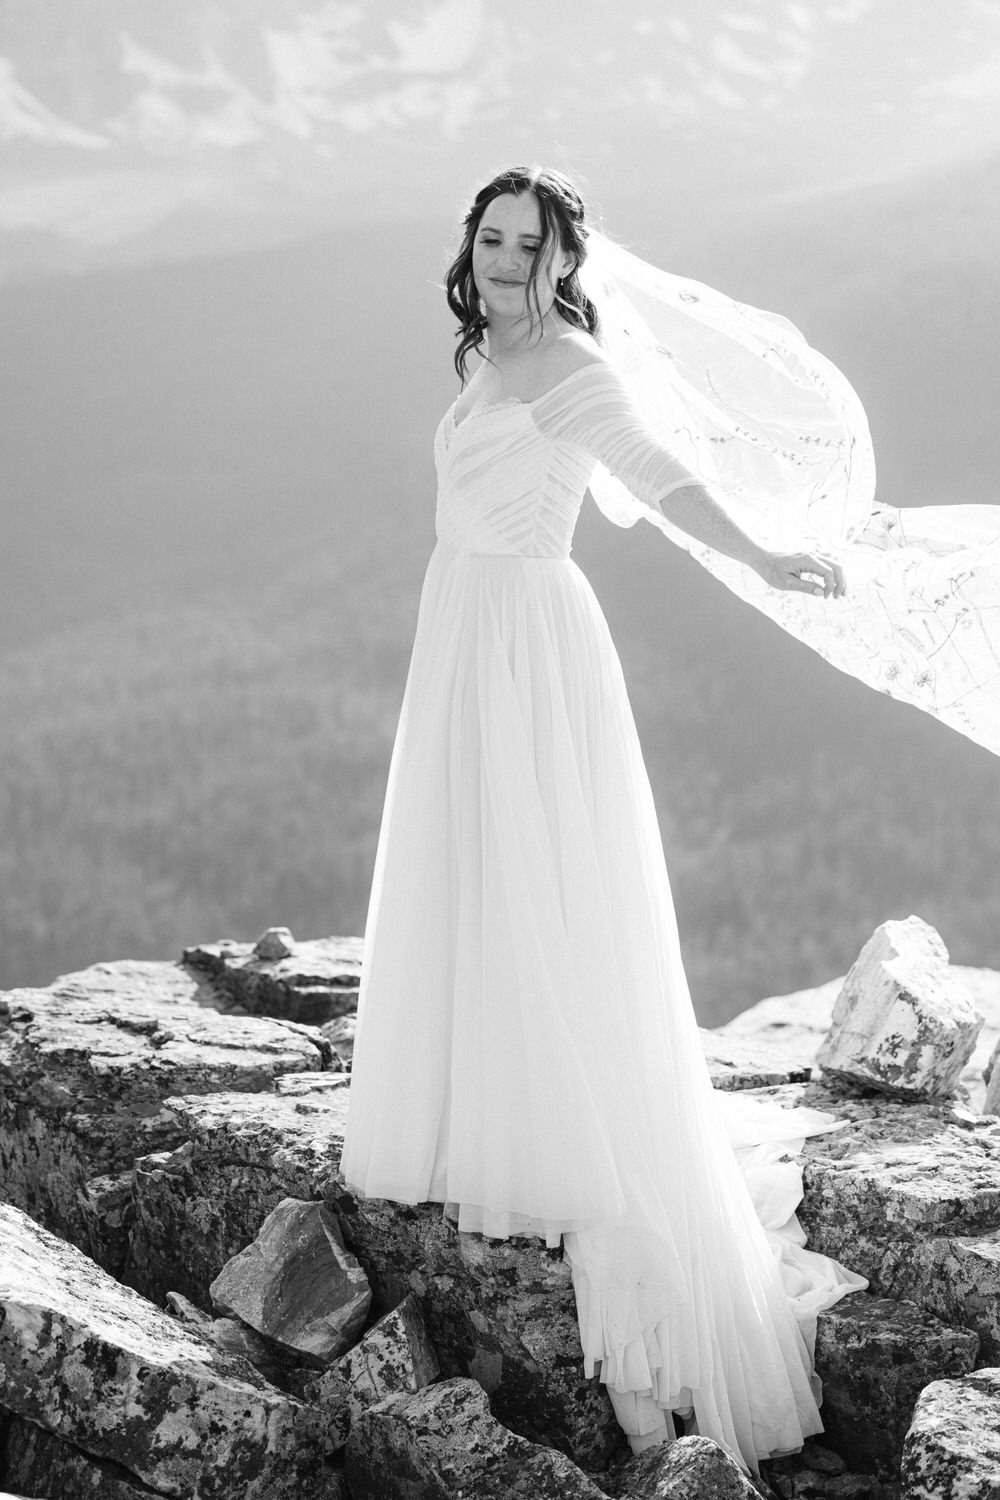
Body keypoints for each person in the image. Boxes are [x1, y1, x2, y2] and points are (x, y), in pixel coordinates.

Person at [338, 163, 996, 1473]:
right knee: (469, 867)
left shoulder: (573, 364)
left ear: (563, 257)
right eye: (493, 236)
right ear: (470, 246)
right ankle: (471, 1082)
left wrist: (764, 554)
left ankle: (561, 1118)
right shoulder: (487, 349)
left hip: (530, 641)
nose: (510, 257)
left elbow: (665, 475)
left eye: (530, 241)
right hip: (463, 627)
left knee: (541, 877)